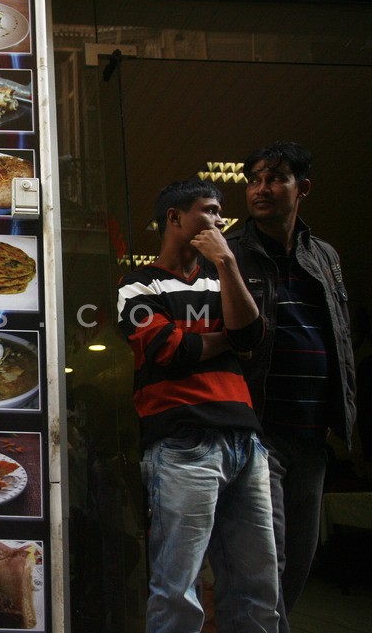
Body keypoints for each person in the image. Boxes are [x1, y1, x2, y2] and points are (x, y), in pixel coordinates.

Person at [116, 179, 278, 631]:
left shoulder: (221, 275)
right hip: (183, 443)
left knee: (259, 587)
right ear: (175, 218)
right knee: (178, 586)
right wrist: (228, 339)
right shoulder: (136, 284)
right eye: (208, 211)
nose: (219, 220)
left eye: (220, 212)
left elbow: (253, 338)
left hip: (247, 442)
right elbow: (171, 350)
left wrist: (226, 262)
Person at [226, 142, 356, 632]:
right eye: (254, 179)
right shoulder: (234, 253)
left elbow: (339, 336)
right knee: (266, 566)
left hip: (313, 434)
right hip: (260, 432)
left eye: (274, 178)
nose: (260, 188)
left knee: (299, 563)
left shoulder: (324, 256)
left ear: (302, 188)